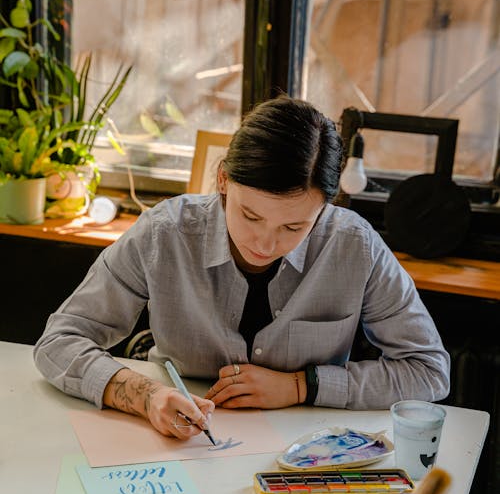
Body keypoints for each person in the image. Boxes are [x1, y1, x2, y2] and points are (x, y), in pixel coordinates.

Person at [34, 95, 450, 441]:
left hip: (303, 447)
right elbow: (59, 341)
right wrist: (141, 395)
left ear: (325, 207)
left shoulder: (356, 247)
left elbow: (429, 372)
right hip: (176, 438)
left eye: (294, 226)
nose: (265, 244)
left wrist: (301, 386)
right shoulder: (165, 232)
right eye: (250, 215)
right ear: (222, 181)